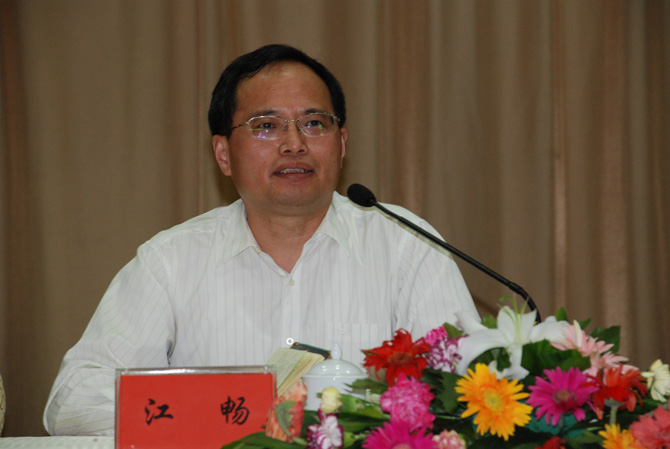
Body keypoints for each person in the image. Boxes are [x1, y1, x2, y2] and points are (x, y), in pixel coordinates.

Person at [43, 44, 479, 436]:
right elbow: (72, 402)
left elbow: (466, 387)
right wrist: (229, 416)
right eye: (266, 126)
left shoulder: (406, 245)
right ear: (223, 154)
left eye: (314, 123)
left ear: (342, 144)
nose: (294, 143)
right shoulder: (170, 261)